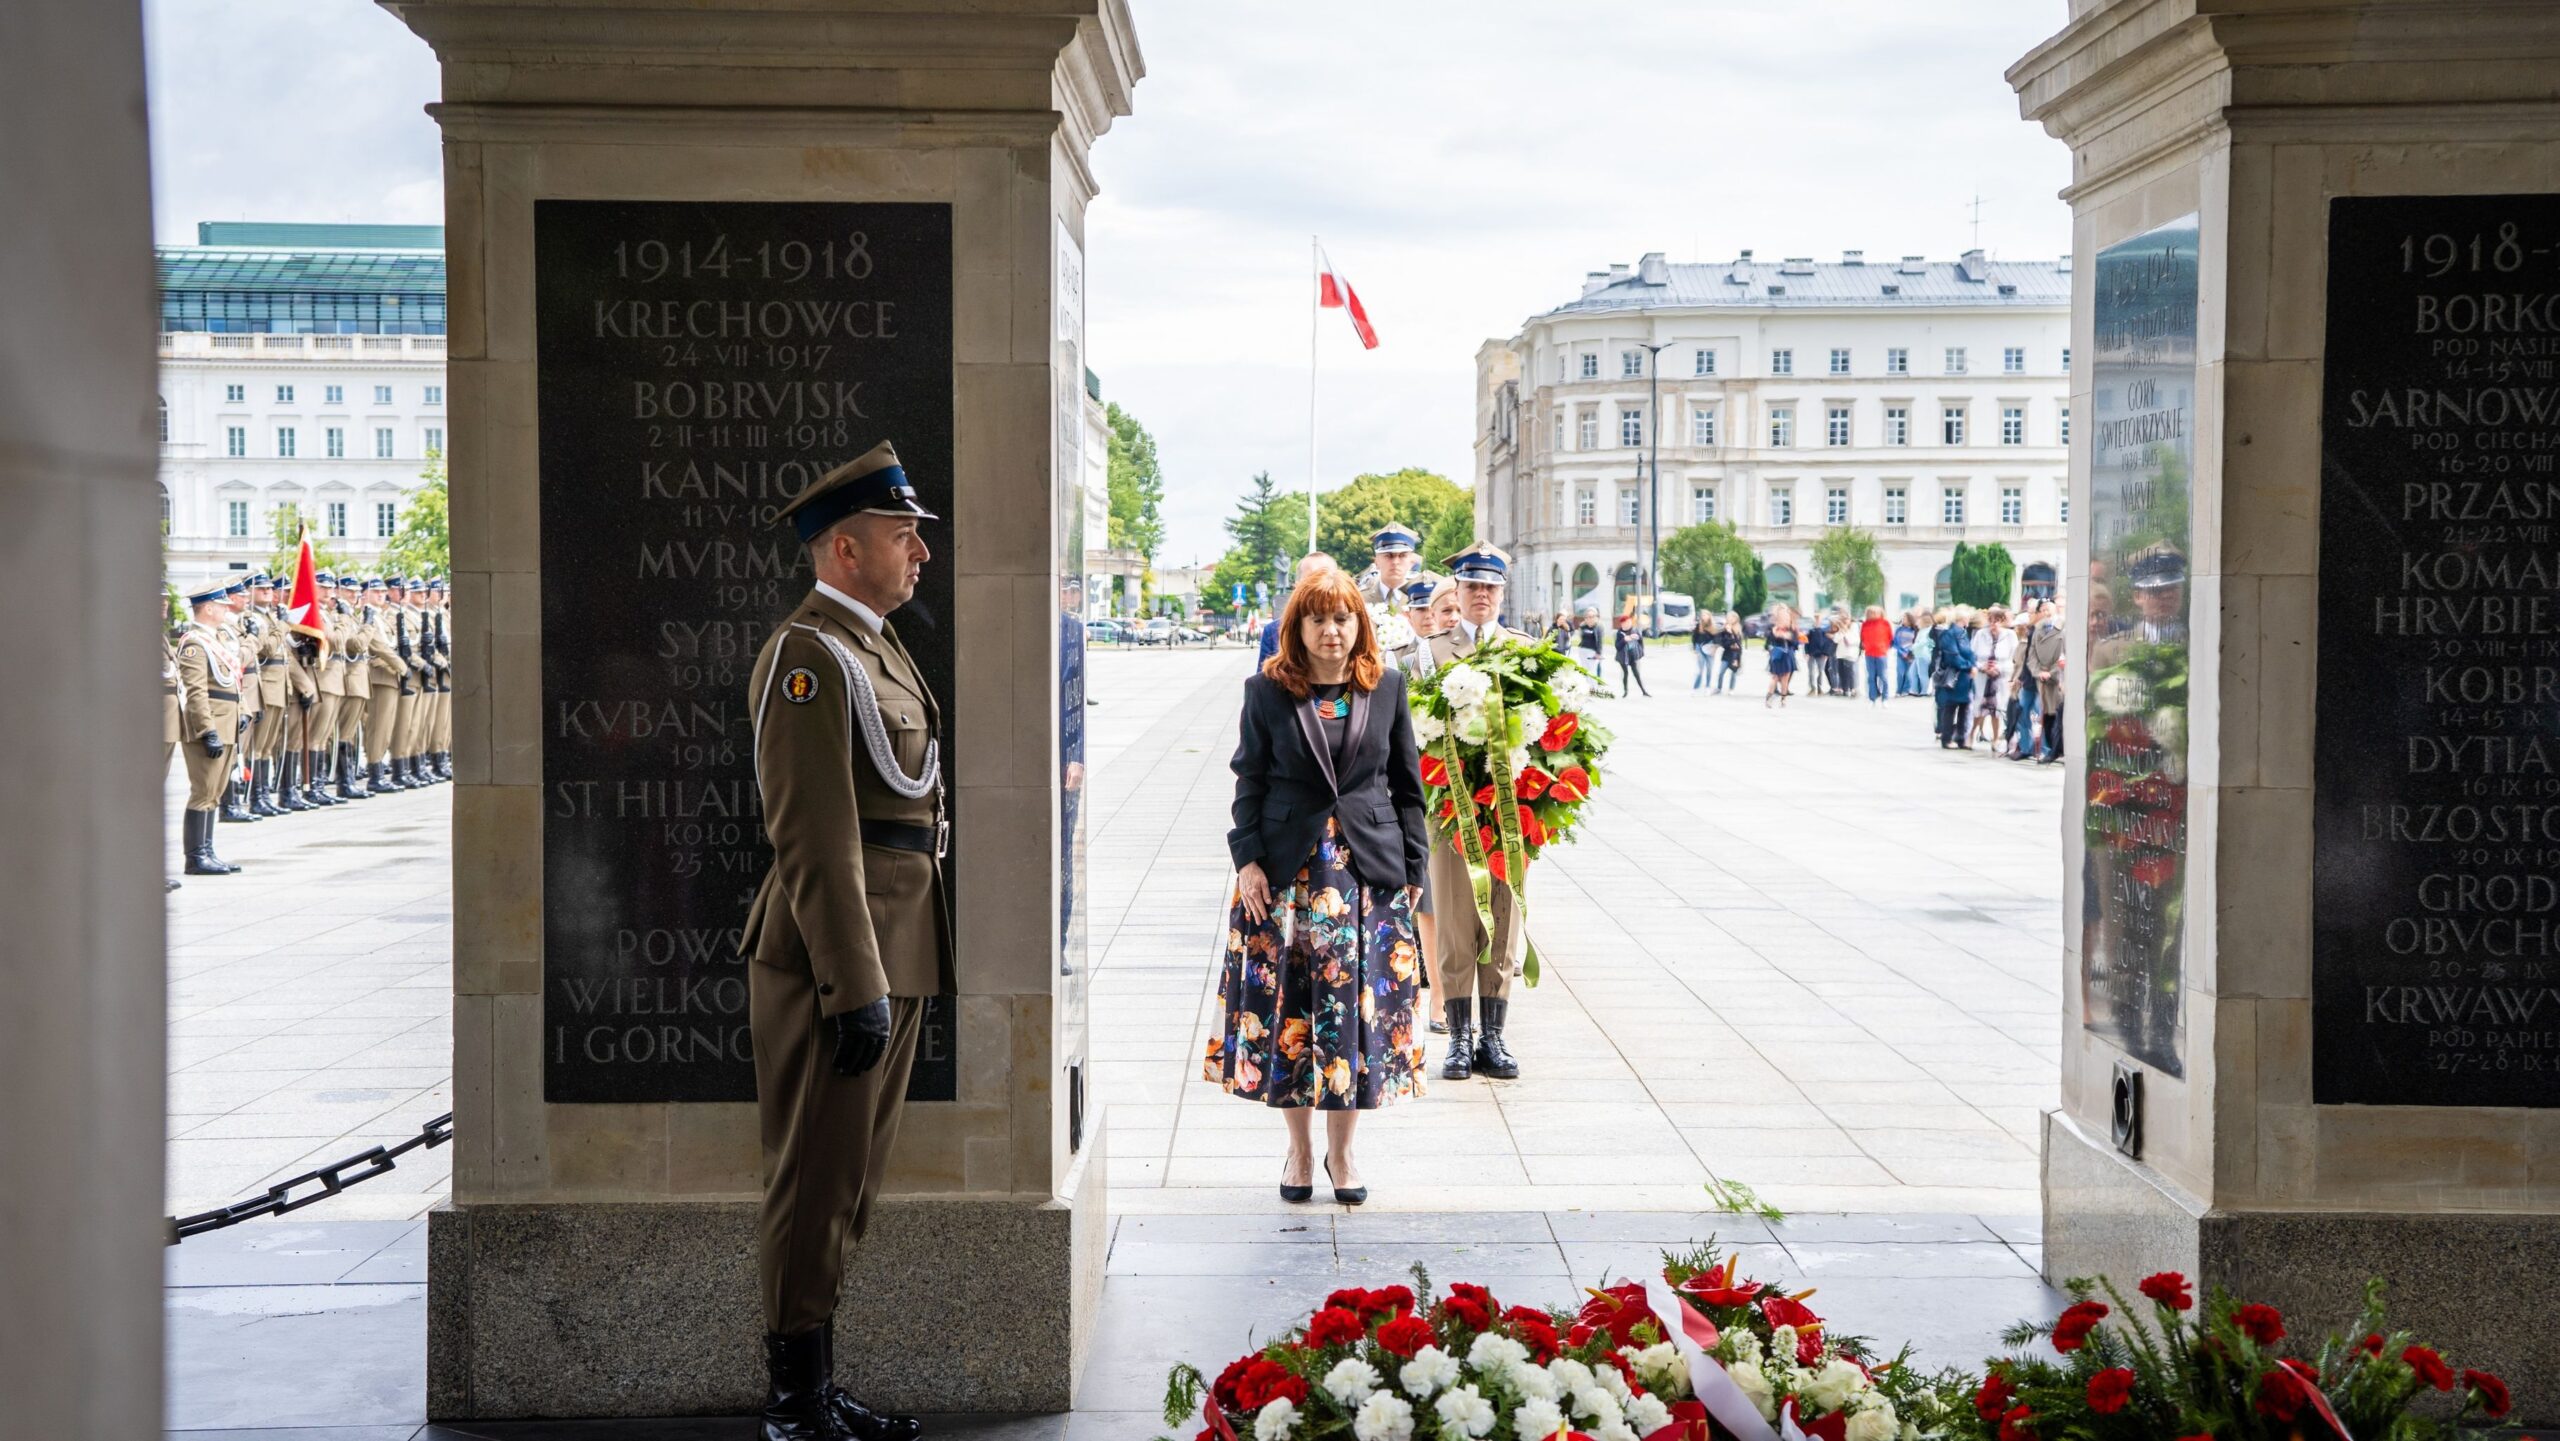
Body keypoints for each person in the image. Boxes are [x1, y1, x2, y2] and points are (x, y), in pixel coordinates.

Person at [742, 441, 944, 1441]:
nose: (920, 552)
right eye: (902, 534)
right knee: (814, 1181)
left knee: (849, 1183)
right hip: (838, 957)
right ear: (842, 548)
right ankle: (792, 1407)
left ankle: (817, 1390)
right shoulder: (809, 658)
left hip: (893, 945)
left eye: (915, 533)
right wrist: (852, 981)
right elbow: (812, 833)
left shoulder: (871, 642)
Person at [1208, 564, 1430, 1205]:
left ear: (1359, 625)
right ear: (1297, 628)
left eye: (1342, 618)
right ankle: (1300, 1151)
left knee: (1353, 1014)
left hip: (1367, 875)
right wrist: (1246, 859)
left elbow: (1408, 788)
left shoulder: (1386, 686)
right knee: (1293, 1013)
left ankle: (1344, 1152)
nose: (1331, 631)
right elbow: (1248, 781)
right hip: (1286, 879)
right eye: (1318, 618)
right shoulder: (1266, 691)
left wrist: (1412, 870)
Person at [1425, 545, 1529, 1081]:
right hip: (1451, 813)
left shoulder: (1528, 652)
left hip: (1512, 814)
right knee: (1455, 918)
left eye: (1490, 587)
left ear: (1502, 593)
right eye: (1472, 587)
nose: (1481, 595)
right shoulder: (1429, 653)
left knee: (1505, 918)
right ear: (1458, 593)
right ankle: (1459, 1037)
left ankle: (1494, 1036)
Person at [174, 580, 244, 876]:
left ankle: (208, 850)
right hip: (211, 725)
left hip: (226, 721)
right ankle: (195, 856)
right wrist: (207, 730)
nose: (227, 610)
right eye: (222, 606)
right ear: (209, 608)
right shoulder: (195, 643)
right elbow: (196, 691)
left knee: (215, 791)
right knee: (203, 790)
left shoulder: (217, 639)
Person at [1261, 553, 1338, 664]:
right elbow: (1265, 677)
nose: (1320, 585)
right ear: (1297, 586)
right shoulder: (1274, 631)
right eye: (1311, 579)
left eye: (1327, 577)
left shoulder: (1355, 627)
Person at [2024, 600, 2068, 765]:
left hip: (2057, 679)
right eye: (2042, 610)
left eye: (2048, 609)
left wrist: (2052, 673)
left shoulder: (2063, 629)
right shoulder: (2038, 630)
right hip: (2042, 679)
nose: (2046, 613)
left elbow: (2067, 655)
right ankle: (2052, 749)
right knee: (2047, 715)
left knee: (2058, 714)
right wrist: (2038, 672)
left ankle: (2057, 750)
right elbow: (2032, 655)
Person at [1355, 522, 1435, 611]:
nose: (1395, 562)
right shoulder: (1360, 599)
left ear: (1412, 561)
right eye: (1388, 556)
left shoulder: (1421, 599)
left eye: (1402, 555)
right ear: (1376, 561)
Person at [1931, 606, 1978, 748]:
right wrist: (1969, 666)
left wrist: (1972, 665)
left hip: (1965, 677)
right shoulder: (1949, 634)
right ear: (1962, 619)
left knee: (1965, 707)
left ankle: (1961, 737)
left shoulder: (1963, 633)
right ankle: (1947, 738)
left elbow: (1968, 652)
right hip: (1956, 676)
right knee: (1950, 707)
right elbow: (1952, 655)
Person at [1764, 604, 1799, 707]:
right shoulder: (1773, 629)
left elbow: (1796, 644)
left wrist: (1788, 638)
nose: (1784, 619)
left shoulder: (1792, 629)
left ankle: (1783, 700)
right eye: (1782, 617)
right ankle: (1768, 699)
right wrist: (1776, 636)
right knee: (1775, 677)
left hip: (1788, 656)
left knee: (1785, 679)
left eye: (1786, 616)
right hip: (1777, 656)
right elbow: (1767, 644)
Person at [1859, 605, 1892, 703]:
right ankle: (1872, 697)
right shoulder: (1865, 624)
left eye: (1875, 612)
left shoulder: (1885, 624)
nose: (1873, 614)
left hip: (1881, 653)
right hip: (1869, 653)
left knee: (1883, 675)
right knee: (1871, 676)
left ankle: (1885, 697)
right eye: (1870, 613)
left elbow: (1890, 637)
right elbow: (1862, 637)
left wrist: (1885, 647)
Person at [1613, 614, 1650, 697]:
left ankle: (1644, 691)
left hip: (1632, 656)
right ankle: (1625, 691)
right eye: (1626, 623)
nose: (1628, 624)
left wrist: (1640, 651)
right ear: (1622, 624)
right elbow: (1617, 647)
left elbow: (1640, 641)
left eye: (1629, 622)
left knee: (1636, 673)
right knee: (1625, 673)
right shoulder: (1619, 633)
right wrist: (1624, 640)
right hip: (1623, 657)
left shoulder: (1635, 630)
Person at [1801, 613, 1834, 696]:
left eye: (1818, 619)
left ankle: (1819, 688)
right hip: (1811, 654)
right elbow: (1806, 642)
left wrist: (1826, 653)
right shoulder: (1810, 631)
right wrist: (1806, 653)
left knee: (1820, 671)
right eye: (1815, 619)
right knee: (1811, 672)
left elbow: (1827, 643)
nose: (1817, 620)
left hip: (1821, 655)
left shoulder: (1824, 632)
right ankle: (1812, 688)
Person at [1715, 612, 1744, 692]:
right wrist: (1728, 634)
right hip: (1726, 654)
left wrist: (1731, 634)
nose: (1729, 619)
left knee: (1733, 673)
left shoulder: (1738, 630)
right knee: (1721, 672)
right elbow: (1723, 642)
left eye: (1731, 617)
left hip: (1735, 655)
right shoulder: (1725, 629)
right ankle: (1719, 688)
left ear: (1735, 618)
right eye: (1728, 617)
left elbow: (1738, 645)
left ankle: (1731, 689)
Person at [1690, 612, 1716, 689]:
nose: (1703, 616)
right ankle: (1696, 687)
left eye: (1705, 615)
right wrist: (1694, 648)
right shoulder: (1699, 626)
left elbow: (1716, 639)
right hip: (1700, 647)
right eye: (1702, 615)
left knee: (1709, 669)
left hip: (1709, 648)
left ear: (1709, 616)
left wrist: (1714, 649)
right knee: (1700, 669)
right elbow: (1694, 637)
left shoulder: (1713, 627)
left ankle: (1708, 686)